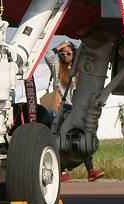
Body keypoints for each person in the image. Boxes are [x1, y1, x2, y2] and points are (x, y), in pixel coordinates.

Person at [44, 41, 104, 181]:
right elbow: (48, 56)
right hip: (62, 108)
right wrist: (62, 44)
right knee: (61, 137)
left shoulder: (81, 68)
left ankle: (90, 170)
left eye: (68, 53)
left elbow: (87, 55)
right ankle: (61, 171)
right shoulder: (57, 67)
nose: (65, 56)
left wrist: (76, 49)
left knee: (83, 134)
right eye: (62, 54)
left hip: (78, 107)